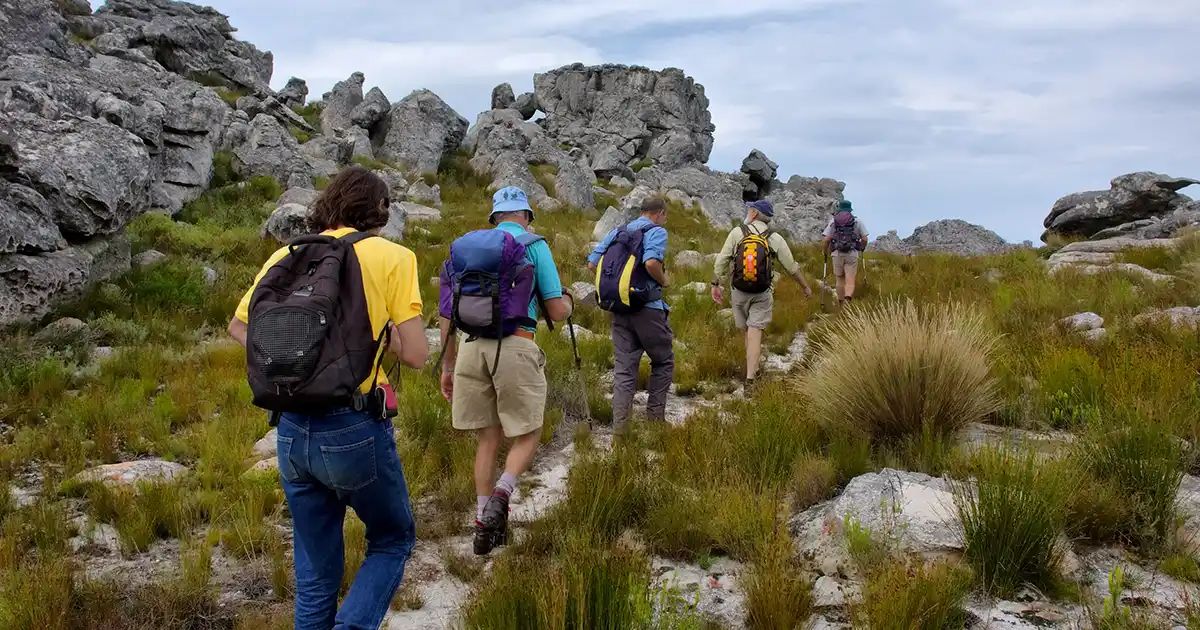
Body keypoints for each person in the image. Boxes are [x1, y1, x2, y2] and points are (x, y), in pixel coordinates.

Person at [227, 166, 428, 630]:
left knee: (316, 574)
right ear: (379, 210)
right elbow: (416, 355)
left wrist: (301, 366)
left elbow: (239, 327)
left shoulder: (287, 255)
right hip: (354, 427)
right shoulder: (393, 256)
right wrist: (380, 339)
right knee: (393, 538)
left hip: (292, 429)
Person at [438, 186, 573, 556]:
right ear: (526, 215)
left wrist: (447, 366)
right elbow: (556, 310)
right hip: (516, 343)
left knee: (488, 437)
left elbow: (447, 315)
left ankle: (485, 523)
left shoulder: (466, 249)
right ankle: (503, 492)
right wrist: (569, 303)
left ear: (494, 217)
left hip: (470, 348)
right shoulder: (534, 245)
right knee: (529, 431)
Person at [587, 196, 673, 431]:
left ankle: (620, 431)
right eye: (665, 216)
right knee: (663, 361)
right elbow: (651, 263)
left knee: (624, 370)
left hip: (620, 310)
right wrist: (664, 281)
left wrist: (617, 286)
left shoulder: (617, 231)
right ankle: (655, 422)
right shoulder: (656, 232)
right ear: (659, 213)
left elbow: (592, 263)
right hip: (648, 310)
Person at [711, 199, 813, 385]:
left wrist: (715, 284)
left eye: (750, 209)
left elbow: (722, 260)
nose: (748, 211)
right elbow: (791, 267)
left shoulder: (737, 232)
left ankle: (752, 368)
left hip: (739, 290)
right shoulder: (774, 237)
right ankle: (751, 377)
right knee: (755, 331)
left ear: (755, 213)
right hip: (762, 292)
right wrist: (805, 286)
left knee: (746, 331)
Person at [822, 199, 868, 304]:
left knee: (839, 279)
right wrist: (861, 248)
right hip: (852, 253)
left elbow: (826, 240)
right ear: (850, 209)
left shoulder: (833, 221)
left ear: (839, 209)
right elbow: (864, 239)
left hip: (837, 253)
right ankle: (848, 298)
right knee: (850, 278)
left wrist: (825, 251)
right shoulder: (857, 221)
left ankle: (841, 303)